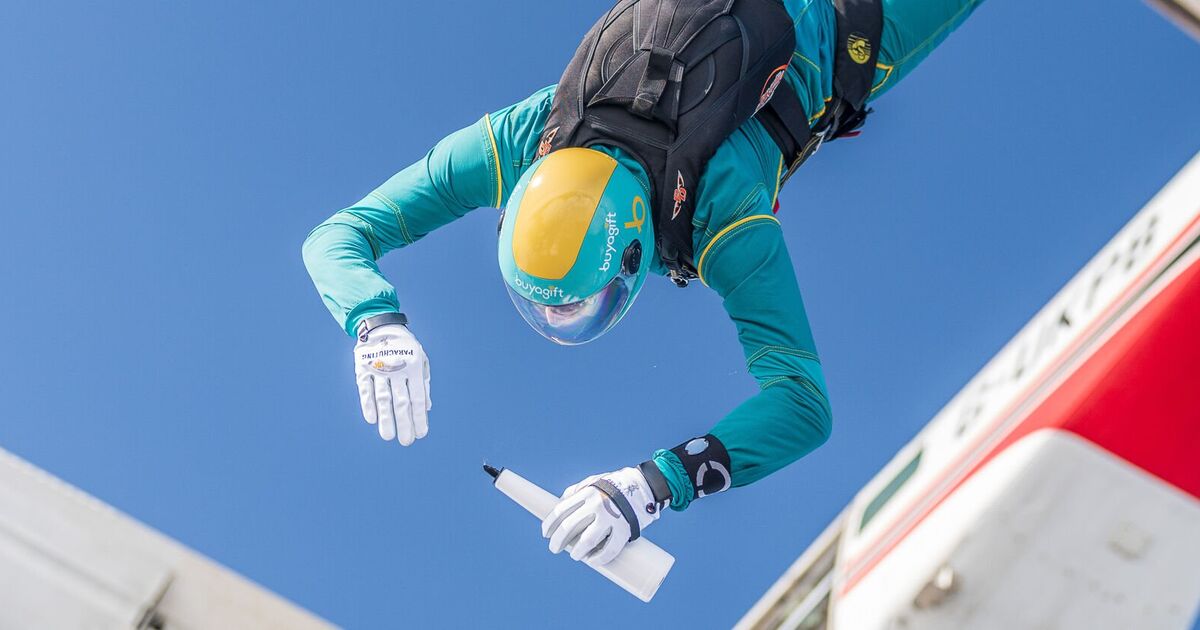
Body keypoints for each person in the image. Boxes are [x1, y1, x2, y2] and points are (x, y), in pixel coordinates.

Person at [303, 0, 985, 567]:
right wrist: (376, 322)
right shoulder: (526, 138)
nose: (566, 317)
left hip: (856, 22)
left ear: (633, 257)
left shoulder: (722, 207)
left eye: (578, 304)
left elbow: (804, 404)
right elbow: (337, 237)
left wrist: (656, 484)